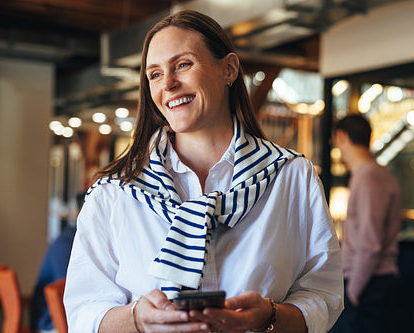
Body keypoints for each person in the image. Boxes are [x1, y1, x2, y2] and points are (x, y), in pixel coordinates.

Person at [64, 9, 343, 333]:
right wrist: (137, 318)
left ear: (228, 69)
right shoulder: (115, 191)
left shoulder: (293, 178)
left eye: (183, 65)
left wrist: (269, 315)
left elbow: (323, 296)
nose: (168, 83)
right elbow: (84, 313)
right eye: (154, 74)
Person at [329, 114, 402, 333]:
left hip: (368, 284)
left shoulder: (368, 177)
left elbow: (370, 243)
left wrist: (353, 291)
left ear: (342, 136)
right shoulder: (375, 174)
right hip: (371, 283)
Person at [30, 192, 84, 332]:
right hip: (49, 321)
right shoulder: (66, 244)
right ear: (81, 212)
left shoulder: (75, 239)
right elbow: (71, 291)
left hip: (59, 315)